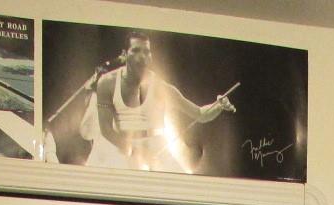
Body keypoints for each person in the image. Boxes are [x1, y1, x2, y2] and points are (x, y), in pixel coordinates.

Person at [78, 31, 236, 169]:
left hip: (153, 149)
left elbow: (200, 114)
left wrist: (218, 105)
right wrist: (133, 151)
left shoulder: (160, 86)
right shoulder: (107, 82)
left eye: (147, 52)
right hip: (119, 148)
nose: (142, 57)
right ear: (125, 54)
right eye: (136, 50)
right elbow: (106, 129)